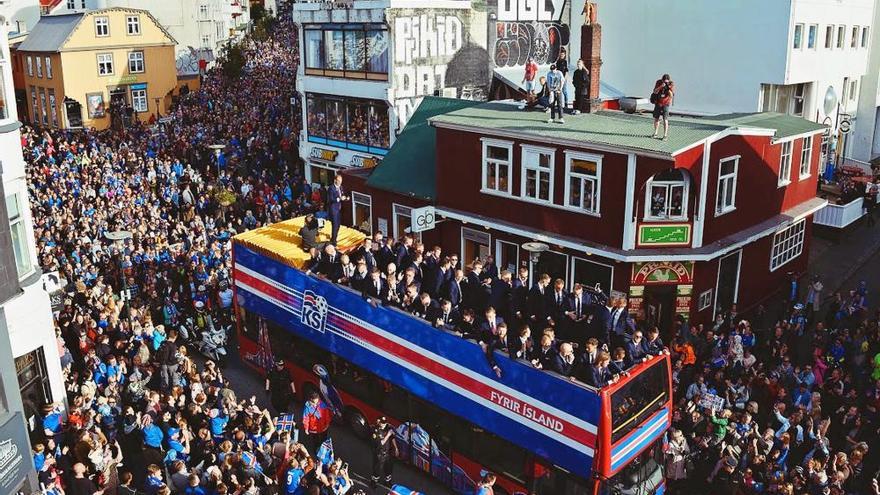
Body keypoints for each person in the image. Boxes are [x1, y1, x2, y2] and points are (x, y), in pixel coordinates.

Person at [370, 416, 396, 488]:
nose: (384, 424)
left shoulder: (388, 427)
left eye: (385, 423)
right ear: (379, 422)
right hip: (379, 454)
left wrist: (396, 448)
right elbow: (380, 443)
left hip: (388, 453)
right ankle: (373, 482)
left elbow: (392, 437)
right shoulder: (375, 431)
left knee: (388, 469)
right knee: (377, 470)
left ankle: (387, 482)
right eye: (382, 423)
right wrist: (388, 434)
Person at [651, 73, 675, 140]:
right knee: (656, 118)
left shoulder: (671, 84)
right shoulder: (659, 82)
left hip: (666, 103)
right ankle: (655, 133)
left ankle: (665, 135)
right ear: (662, 80)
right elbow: (655, 92)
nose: (665, 82)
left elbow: (671, 95)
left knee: (665, 119)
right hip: (658, 103)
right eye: (664, 81)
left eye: (666, 82)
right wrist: (661, 86)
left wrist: (668, 88)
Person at [327, 174, 348, 245]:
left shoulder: (341, 187)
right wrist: (339, 199)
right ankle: (333, 241)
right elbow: (331, 199)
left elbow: (342, 194)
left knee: (338, 225)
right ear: (335, 180)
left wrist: (345, 198)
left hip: (339, 208)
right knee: (335, 225)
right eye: (339, 181)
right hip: (333, 209)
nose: (340, 182)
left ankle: (333, 237)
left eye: (341, 181)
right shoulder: (331, 188)